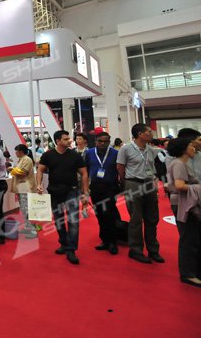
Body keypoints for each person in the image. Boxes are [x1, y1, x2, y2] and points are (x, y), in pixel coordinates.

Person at [36, 130, 89, 265]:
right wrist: (39, 184)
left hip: (72, 191)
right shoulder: (48, 155)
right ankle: (64, 243)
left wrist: (85, 193)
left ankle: (71, 249)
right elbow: (40, 170)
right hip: (54, 192)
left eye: (69, 138)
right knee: (58, 220)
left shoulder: (75, 155)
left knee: (73, 221)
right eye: (66, 139)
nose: (69, 140)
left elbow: (84, 173)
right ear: (58, 141)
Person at [117, 123, 164, 264]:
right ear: (140, 134)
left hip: (149, 183)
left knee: (152, 218)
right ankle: (136, 250)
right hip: (133, 183)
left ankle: (153, 250)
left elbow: (152, 167)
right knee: (136, 218)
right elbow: (120, 167)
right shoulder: (126, 149)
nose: (151, 133)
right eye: (149, 131)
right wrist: (125, 183)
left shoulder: (150, 149)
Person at [166, 138, 201, 287]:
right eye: (191, 146)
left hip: (185, 202)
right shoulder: (179, 163)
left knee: (192, 237)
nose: (194, 148)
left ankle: (193, 271)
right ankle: (188, 274)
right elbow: (179, 185)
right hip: (183, 203)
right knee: (189, 239)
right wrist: (198, 188)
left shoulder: (180, 163)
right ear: (183, 149)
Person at [85, 132, 121, 255]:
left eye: (106, 141)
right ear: (96, 141)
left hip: (110, 188)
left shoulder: (115, 153)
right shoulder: (89, 153)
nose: (103, 143)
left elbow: (120, 169)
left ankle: (113, 242)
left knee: (109, 214)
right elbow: (86, 171)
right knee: (99, 214)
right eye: (100, 141)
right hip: (95, 188)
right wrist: (85, 189)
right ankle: (104, 240)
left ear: (109, 142)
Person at [9, 144, 36, 237]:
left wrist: (12, 169)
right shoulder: (22, 159)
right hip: (22, 187)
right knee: (24, 208)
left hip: (25, 187)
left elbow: (23, 172)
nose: (15, 153)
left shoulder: (27, 159)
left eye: (16, 151)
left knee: (26, 209)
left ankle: (32, 230)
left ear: (20, 151)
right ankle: (28, 227)